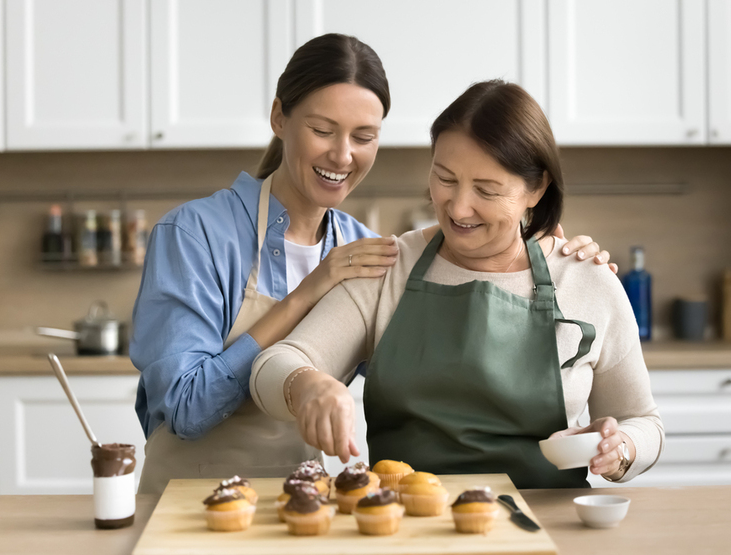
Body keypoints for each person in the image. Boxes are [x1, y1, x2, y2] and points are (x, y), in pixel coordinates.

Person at [131, 35, 614, 494]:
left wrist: (544, 254)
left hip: (298, 499)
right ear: (279, 117)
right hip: (186, 500)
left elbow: (426, 373)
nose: (342, 155)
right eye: (323, 130)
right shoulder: (196, 234)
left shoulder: (365, 248)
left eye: (364, 136)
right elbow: (187, 409)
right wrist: (307, 294)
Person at [251, 80, 664, 489]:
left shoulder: (585, 278)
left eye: (486, 190)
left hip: (545, 532)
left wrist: (620, 448)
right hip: (411, 528)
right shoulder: (388, 267)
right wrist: (306, 385)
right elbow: (275, 363)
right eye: (445, 179)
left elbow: (642, 422)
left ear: (535, 189)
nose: (459, 206)